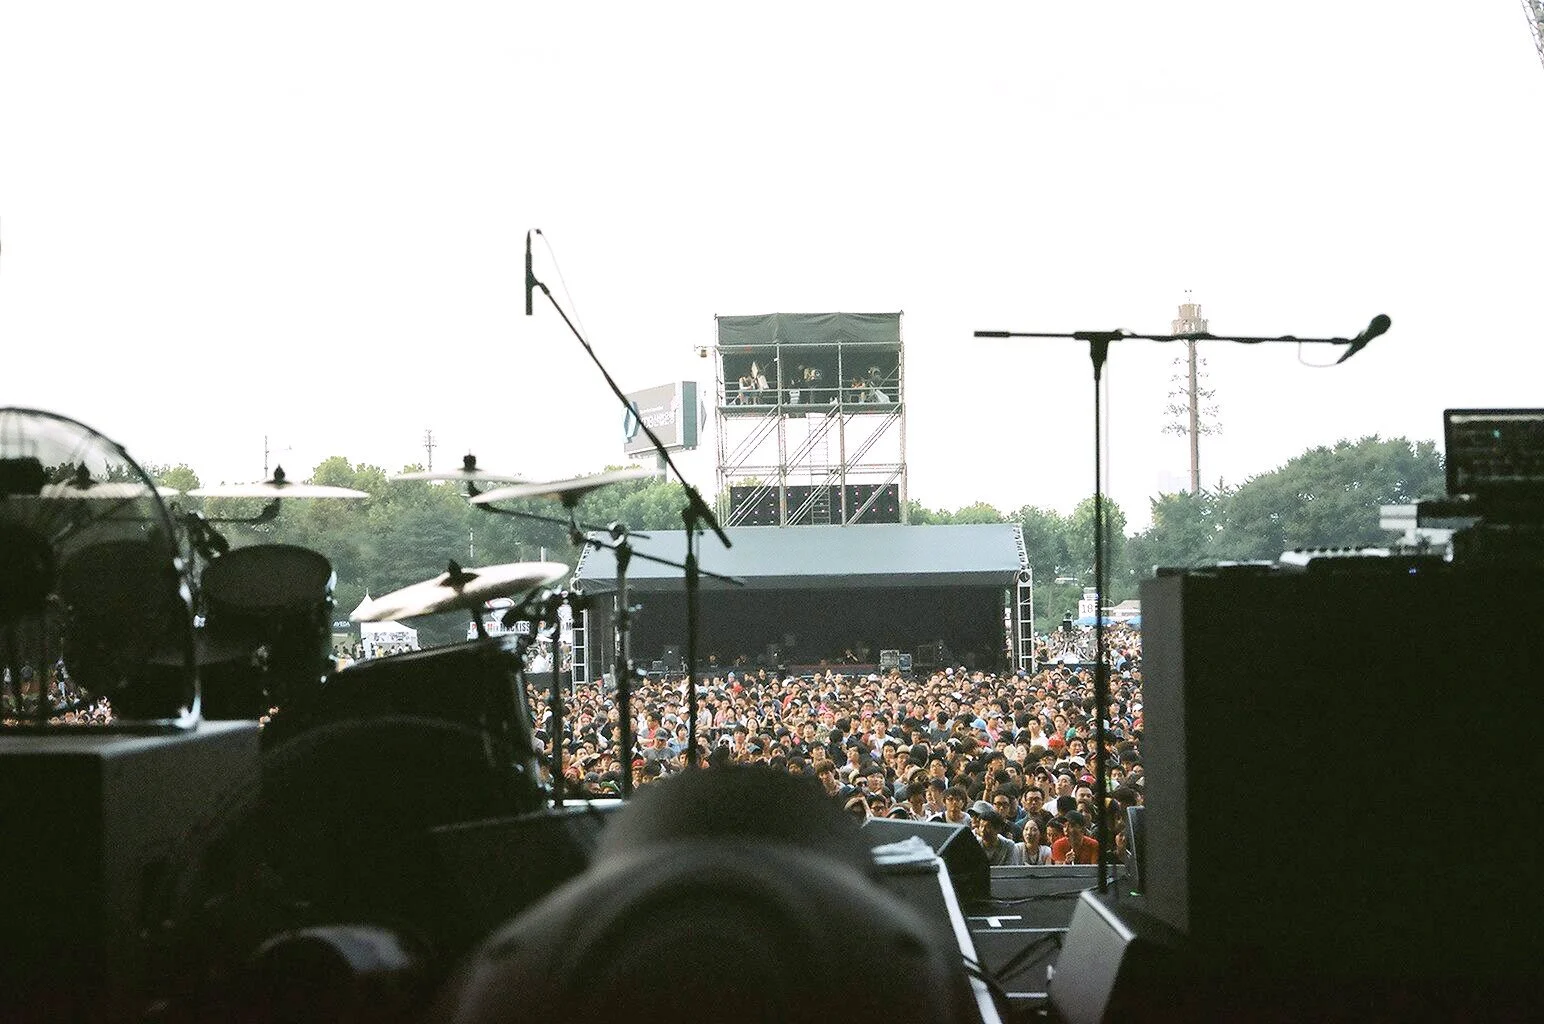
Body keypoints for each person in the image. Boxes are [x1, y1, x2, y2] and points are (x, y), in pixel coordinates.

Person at [968, 801, 1024, 866]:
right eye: (981, 826)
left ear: (998, 829)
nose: (983, 830)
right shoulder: (975, 845)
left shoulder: (1009, 846)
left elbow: (1011, 869)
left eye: (988, 827)